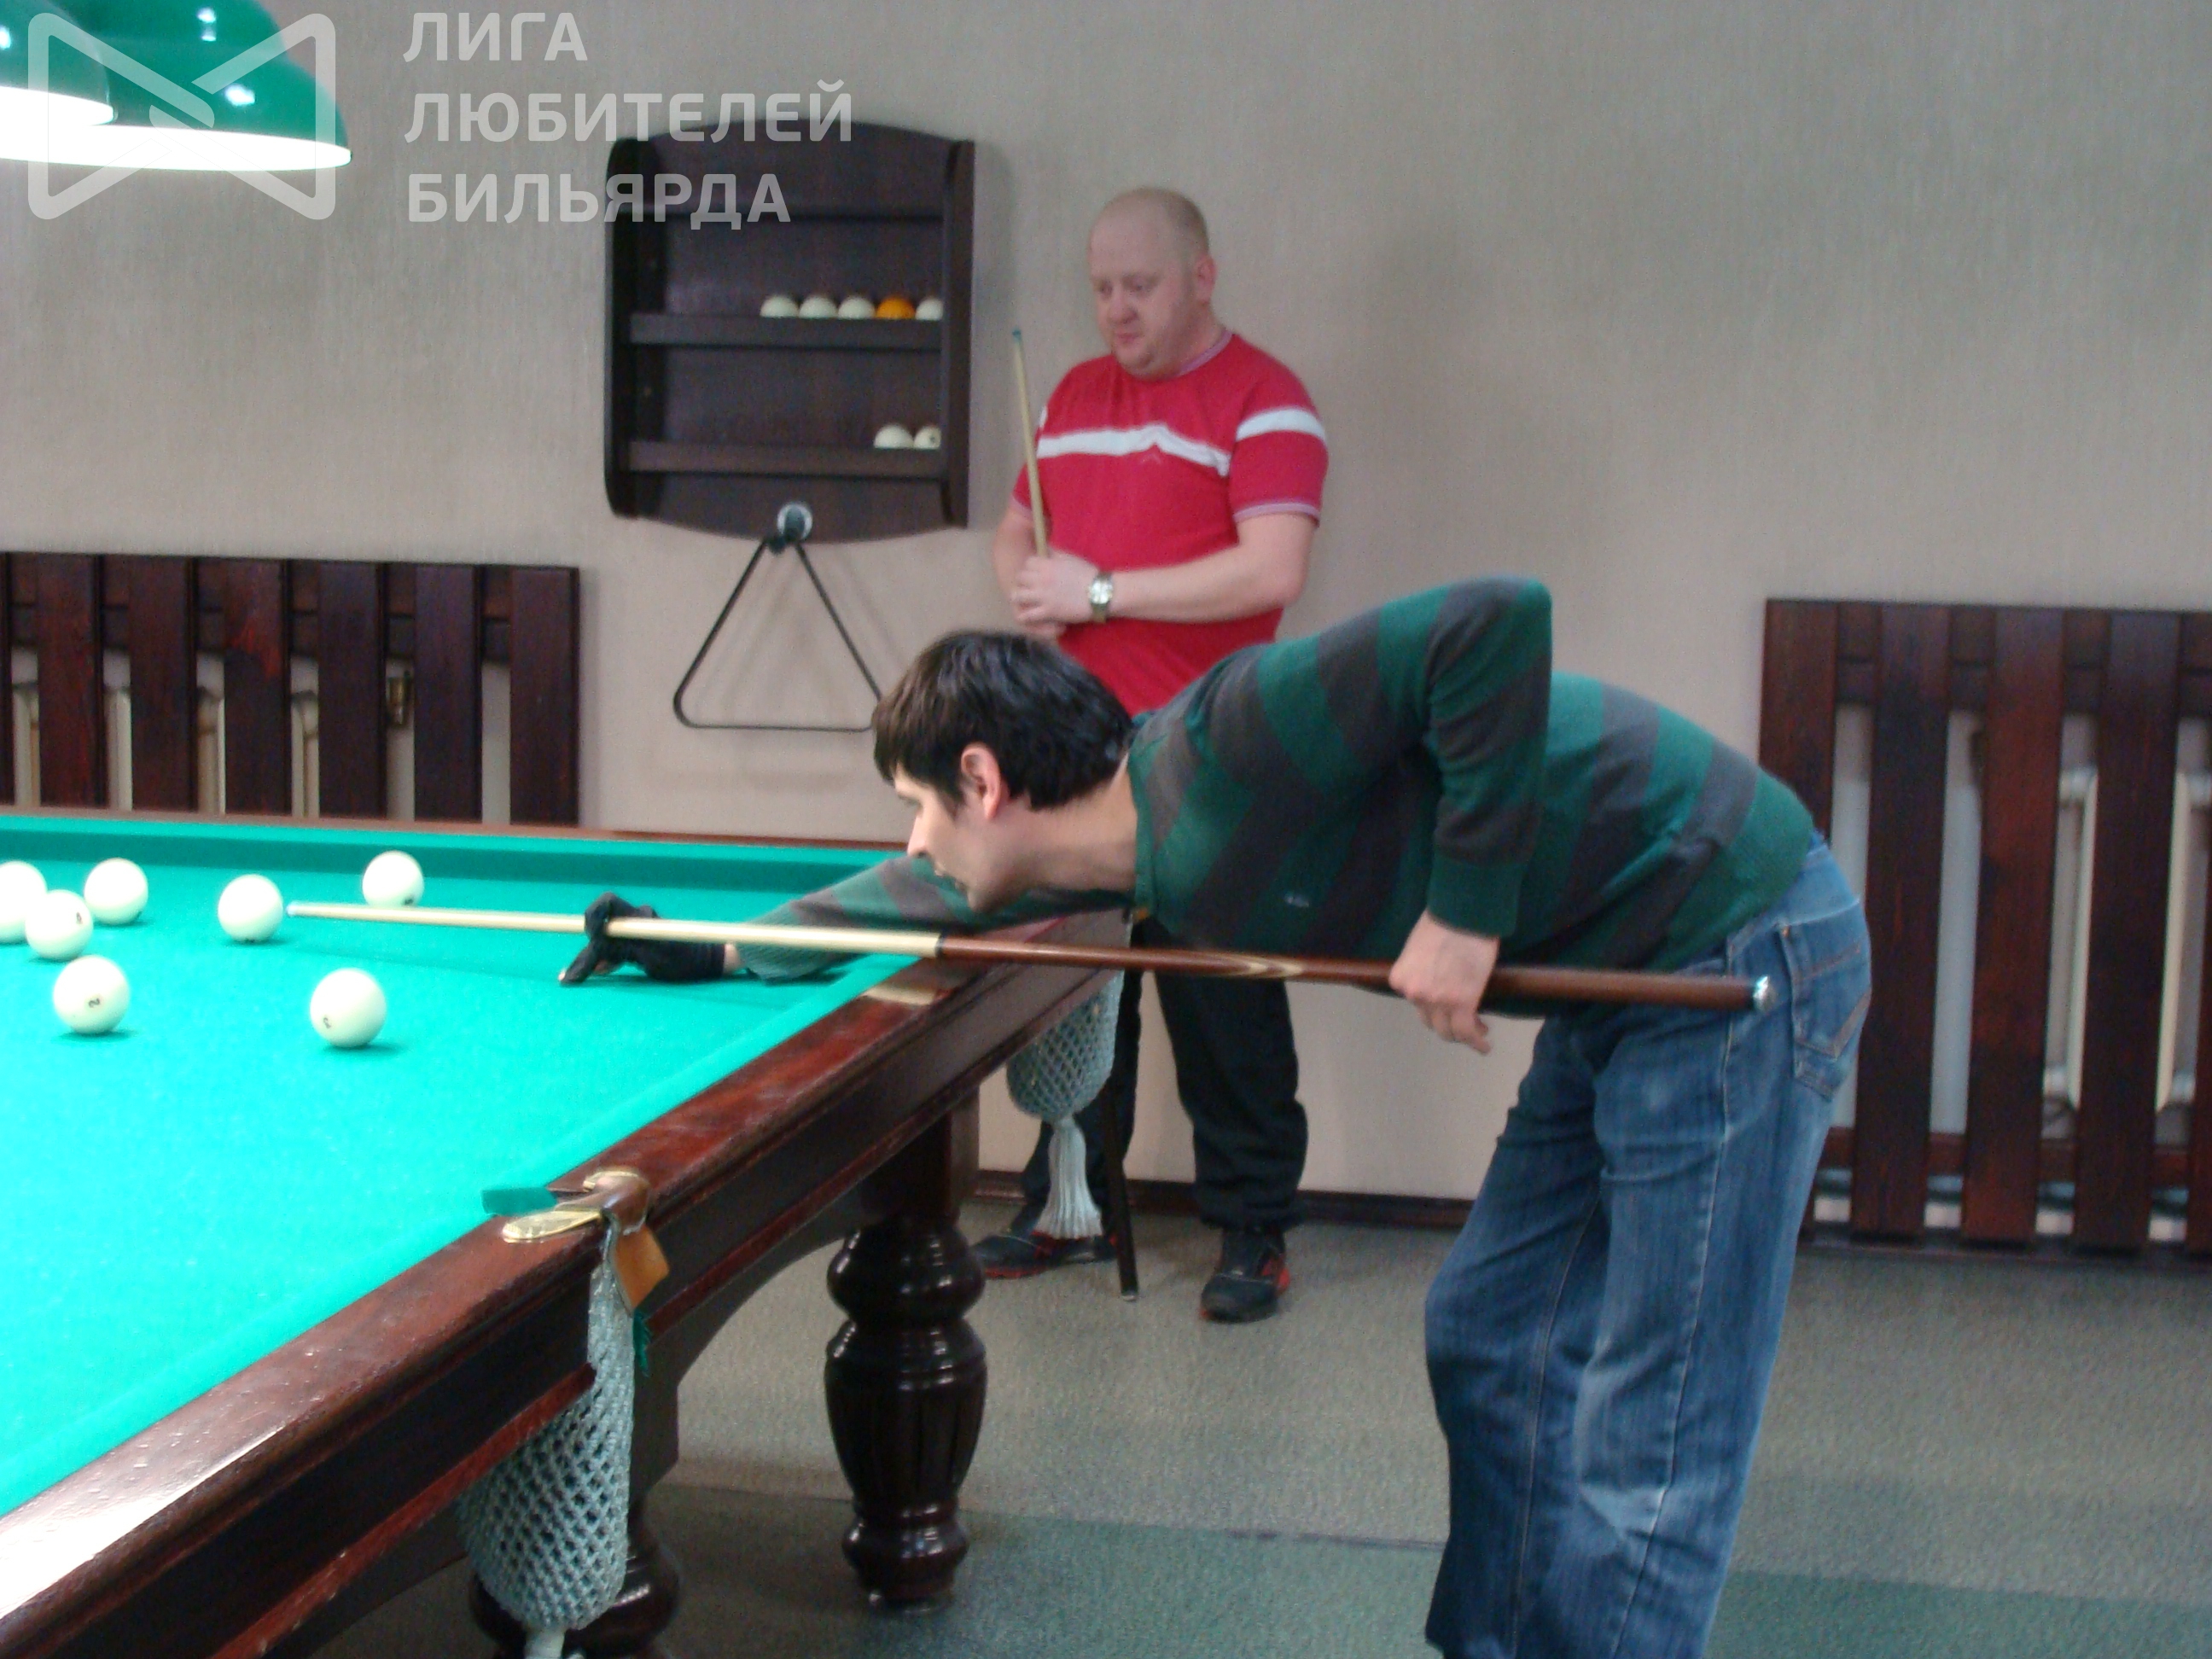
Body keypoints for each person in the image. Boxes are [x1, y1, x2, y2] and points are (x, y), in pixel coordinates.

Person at [568, 576, 1871, 1659]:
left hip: (1734, 948)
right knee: (1488, 1335)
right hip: (1633, 972)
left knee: (1655, 1433)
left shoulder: (1231, 741)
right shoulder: (1123, 849)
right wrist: (708, 946)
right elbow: (909, 903)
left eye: (916, 806)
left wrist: (1467, 913)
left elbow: (1492, 623)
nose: (913, 841)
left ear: (982, 778)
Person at [984, 186, 1329, 1320]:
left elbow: (1271, 568)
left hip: (1211, 743)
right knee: (1080, 991)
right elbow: (1017, 528)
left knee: (1223, 994)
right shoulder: (1073, 394)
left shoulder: (1268, 399)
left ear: (1202, 276)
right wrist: (1031, 586)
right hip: (1078, 745)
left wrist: (1099, 592)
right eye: (1101, 288)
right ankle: (1069, 1208)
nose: (1116, 309)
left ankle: (1253, 1232)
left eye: (1140, 286)